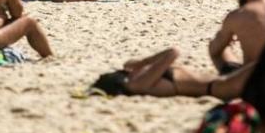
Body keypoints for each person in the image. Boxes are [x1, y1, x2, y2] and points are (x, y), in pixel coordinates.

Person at [90, 48, 255, 99]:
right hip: (219, 87)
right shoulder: (136, 84)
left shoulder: (135, 74)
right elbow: (173, 53)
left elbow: (129, 64)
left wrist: (140, 64)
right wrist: (144, 62)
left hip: (224, 78)